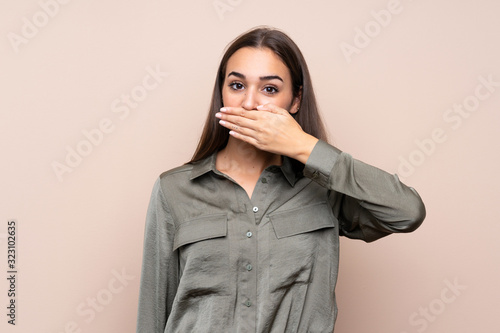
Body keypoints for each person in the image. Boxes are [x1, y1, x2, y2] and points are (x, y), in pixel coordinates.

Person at [136, 26, 426, 333]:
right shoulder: (174, 190)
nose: (248, 103)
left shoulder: (322, 187)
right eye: (236, 85)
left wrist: (304, 146)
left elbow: (407, 212)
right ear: (221, 92)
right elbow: (153, 312)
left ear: (295, 100)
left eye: (269, 89)